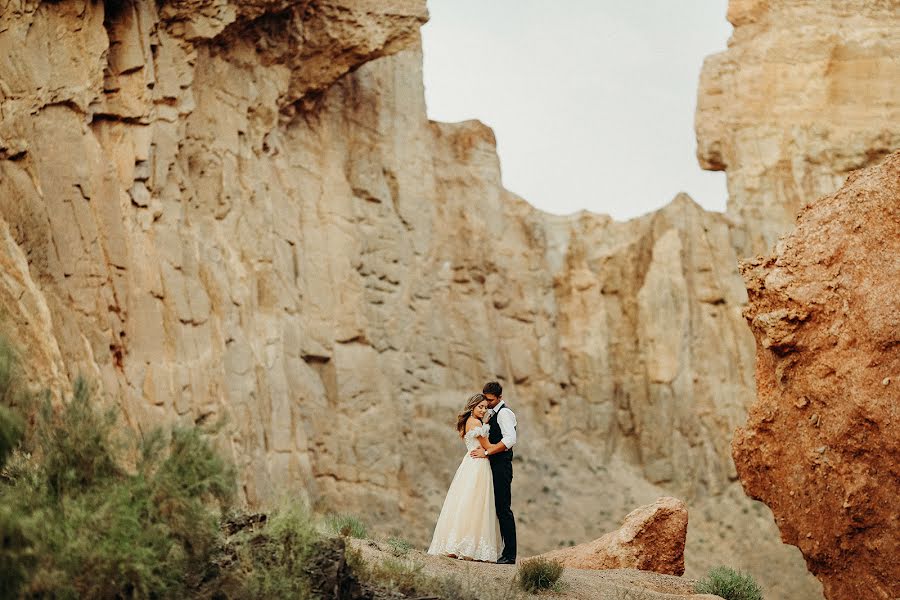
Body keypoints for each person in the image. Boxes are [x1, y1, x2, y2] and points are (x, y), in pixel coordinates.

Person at [427, 394, 501, 561]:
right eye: (480, 407)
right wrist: (505, 445)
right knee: (476, 503)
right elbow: (488, 446)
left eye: (485, 407)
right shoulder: (475, 423)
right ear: (473, 407)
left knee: (465, 502)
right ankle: (468, 546)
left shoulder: (468, 422)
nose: (483, 410)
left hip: (469, 463)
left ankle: (457, 543)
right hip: (478, 465)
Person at [470, 381, 517, 564]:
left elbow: (510, 440)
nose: (487, 403)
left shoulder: (504, 413)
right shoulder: (492, 414)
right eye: (485, 399)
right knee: (497, 508)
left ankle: (510, 554)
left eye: (490, 400)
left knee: (503, 509)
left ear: (499, 398)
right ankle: (501, 551)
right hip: (493, 465)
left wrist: (487, 452)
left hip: (502, 465)